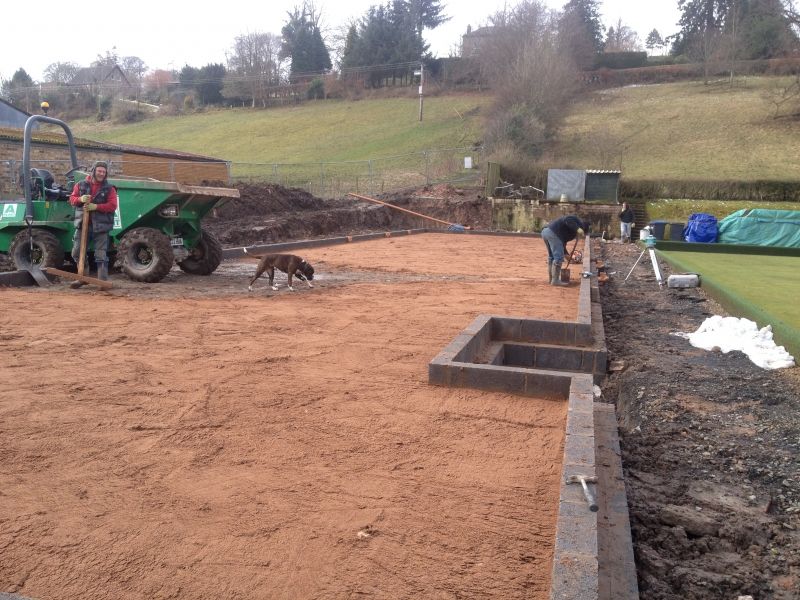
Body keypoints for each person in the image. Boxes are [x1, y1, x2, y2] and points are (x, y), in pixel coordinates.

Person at [69, 161, 118, 281]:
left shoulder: (109, 188)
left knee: (101, 255)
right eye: (99, 171)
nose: (101, 173)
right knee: (76, 252)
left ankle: (102, 280)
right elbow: (72, 199)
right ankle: (83, 277)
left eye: (103, 172)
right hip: (82, 224)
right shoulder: (80, 185)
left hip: (101, 226)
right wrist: (80, 198)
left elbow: (113, 205)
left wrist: (96, 207)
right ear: (94, 171)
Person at [541, 214, 589, 286]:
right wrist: (578, 229)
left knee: (552, 257)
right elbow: (567, 219)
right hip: (553, 233)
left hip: (546, 232)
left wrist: (566, 255)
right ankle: (555, 280)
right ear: (582, 228)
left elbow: (562, 243)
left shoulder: (571, 232)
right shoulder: (575, 220)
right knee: (558, 258)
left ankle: (551, 279)